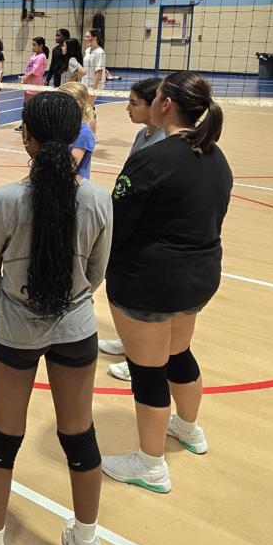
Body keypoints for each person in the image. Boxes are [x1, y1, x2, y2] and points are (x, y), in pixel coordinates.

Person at [0, 92, 112, 545]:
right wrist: (68, 301)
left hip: (14, 331)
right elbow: (96, 273)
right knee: (79, 435)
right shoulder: (97, 198)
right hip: (76, 328)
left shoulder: (5, 201)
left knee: (1, 437)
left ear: (27, 137)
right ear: (73, 136)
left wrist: (14, 303)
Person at [102, 72, 232, 494]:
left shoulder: (153, 159)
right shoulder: (216, 156)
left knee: (147, 371)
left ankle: (150, 465)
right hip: (200, 277)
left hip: (150, 281)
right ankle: (189, 429)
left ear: (166, 104)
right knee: (178, 354)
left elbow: (117, 227)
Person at [100, 77, 165, 375]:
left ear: (155, 105)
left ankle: (138, 361)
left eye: (133, 103)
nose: (127, 107)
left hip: (148, 228)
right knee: (124, 292)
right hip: (130, 222)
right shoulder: (143, 134)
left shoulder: (164, 143)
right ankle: (129, 343)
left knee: (144, 300)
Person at [59, 82, 96, 179]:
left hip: (73, 185)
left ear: (76, 105)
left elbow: (69, 167)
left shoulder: (83, 133)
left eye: (61, 102)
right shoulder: (62, 127)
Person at [82, 29, 106, 108]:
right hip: (85, 83)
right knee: (89, 107)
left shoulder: (100, 52)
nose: (85, 39)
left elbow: (99, 72)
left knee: (86, 106)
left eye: (87, 37)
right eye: (85, 36)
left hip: (94, 85)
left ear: (95, 38)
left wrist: (94, 89)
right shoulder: (87, 50)